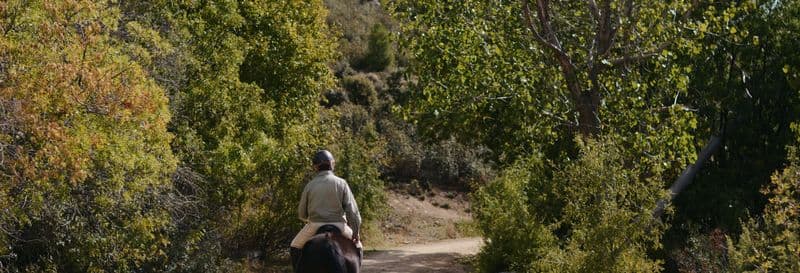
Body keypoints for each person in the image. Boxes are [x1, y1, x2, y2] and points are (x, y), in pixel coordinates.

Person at [289, 150, 363, 272]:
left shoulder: (310, 185)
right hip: (340, 225)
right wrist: (356, 232)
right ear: (332, 164)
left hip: (314, 225)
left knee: (294, 245)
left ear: (316, 167)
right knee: (359, 247)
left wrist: (309, 218)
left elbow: (301, 213)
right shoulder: (342, 183)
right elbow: (353, 212)